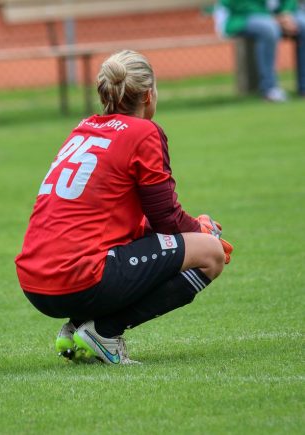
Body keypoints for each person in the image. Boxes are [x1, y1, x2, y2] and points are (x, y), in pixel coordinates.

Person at [15, 50, 234, 365]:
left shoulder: (84, 128)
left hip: (35, 281)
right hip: (77, 276)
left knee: (176, 245)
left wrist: (193, 229)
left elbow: (120, 220)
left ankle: (77, 326)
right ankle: (104, 331)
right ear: (148, 95)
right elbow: (167, 221)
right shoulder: (144, 132)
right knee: (211, 254)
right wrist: (200, 230)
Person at [215, 0, 305, 101]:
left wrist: (285, 13)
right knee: (269, 29)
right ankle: (269, 89)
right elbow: (239, 4)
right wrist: (273, 18)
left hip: (275, 16)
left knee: (303, 25)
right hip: (239, 16)